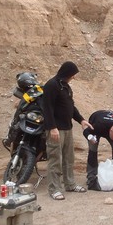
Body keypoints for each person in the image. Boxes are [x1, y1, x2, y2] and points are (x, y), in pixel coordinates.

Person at [41, 61, 92, 200]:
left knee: (69, 158)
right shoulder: (51, 85)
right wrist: (52, 127)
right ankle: (54, 189)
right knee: (55, 159)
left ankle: (70, 184)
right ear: (67, 73)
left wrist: (81, 120)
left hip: (67, 128)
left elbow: (70, 106)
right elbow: (47, 108)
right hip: (56, 129)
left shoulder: (66, 86)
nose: (74, 77)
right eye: (73, 74)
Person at [83, 110, 113, 191]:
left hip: (111, 127)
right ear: (110, 132)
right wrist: (90, 137)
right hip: (96, 120)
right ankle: (91, 177)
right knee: (93, 149)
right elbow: (86, 131)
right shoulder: (98, 125)